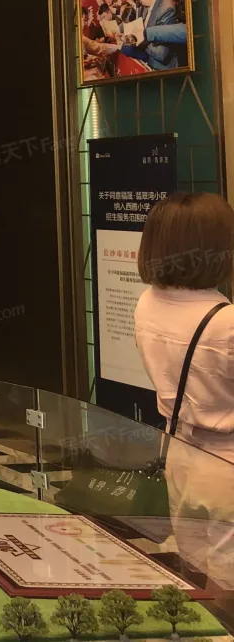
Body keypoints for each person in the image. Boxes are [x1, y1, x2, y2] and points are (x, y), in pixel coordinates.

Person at [133, 192, 234, 604]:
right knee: (227, 580)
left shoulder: (147, 304)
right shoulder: (225, 323)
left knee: (194, 565)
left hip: (180, 451)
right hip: (226, 461)